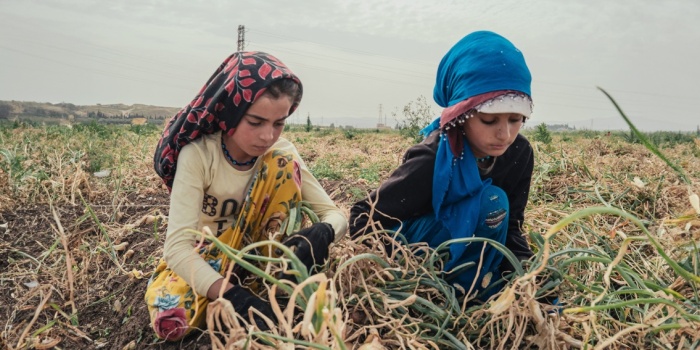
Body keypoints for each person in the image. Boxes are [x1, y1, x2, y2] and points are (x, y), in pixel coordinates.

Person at [144, 51, 348, 341]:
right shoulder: (199, 156)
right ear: (230, 112)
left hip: (264, 263)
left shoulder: (281, 155)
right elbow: (177, 248)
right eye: (256, 122)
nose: (267, 136)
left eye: (278, 123)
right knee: (172, 322)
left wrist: (324, 232)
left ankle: (273, 282)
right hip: (207, 260)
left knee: (282, 163)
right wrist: (232, 296)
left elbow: (336, 214)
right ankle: (235, 294)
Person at [349, 31, 535, 301]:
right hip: (423, 257)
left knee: (497, 209)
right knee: (491, 203)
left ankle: (479, 283)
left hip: (471, 252)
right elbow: (363, 217)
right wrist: (405, 274)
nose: (505, 134)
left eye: (515, 119)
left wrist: (530, 276)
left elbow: (513, 226)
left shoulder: (519, 153)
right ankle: (449, 291)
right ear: (462, 114)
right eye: (489, 120)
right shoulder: (434, 157)